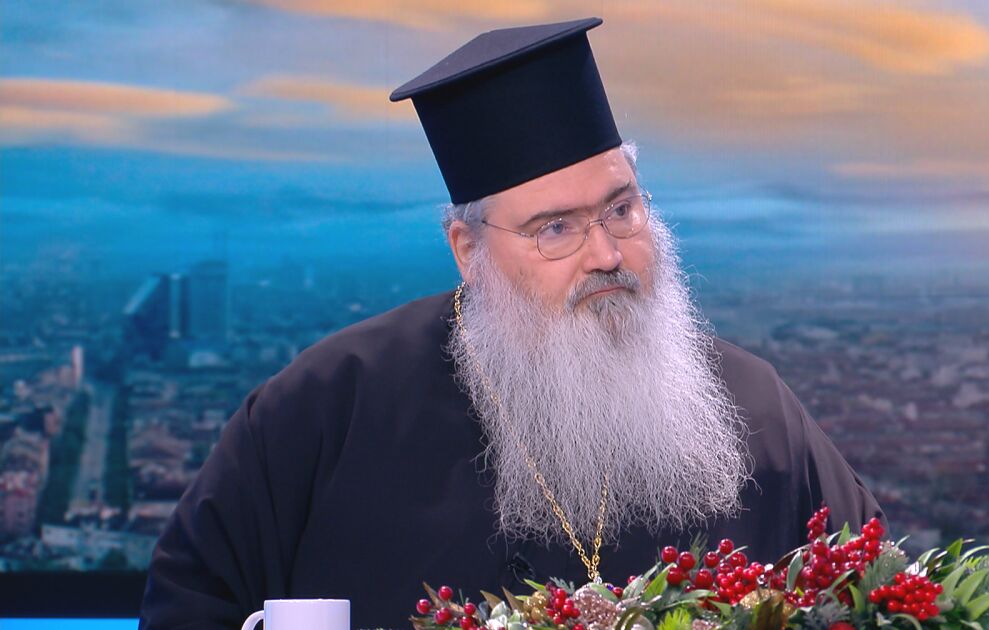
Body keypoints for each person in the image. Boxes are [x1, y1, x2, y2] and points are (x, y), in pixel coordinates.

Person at [139, 17, 884, 630]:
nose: (606, 254)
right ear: (469, 251)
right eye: (555, 228)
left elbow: (883, 599)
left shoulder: (754, 411)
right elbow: (189, 606)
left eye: (622, 209)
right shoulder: (328, 407)